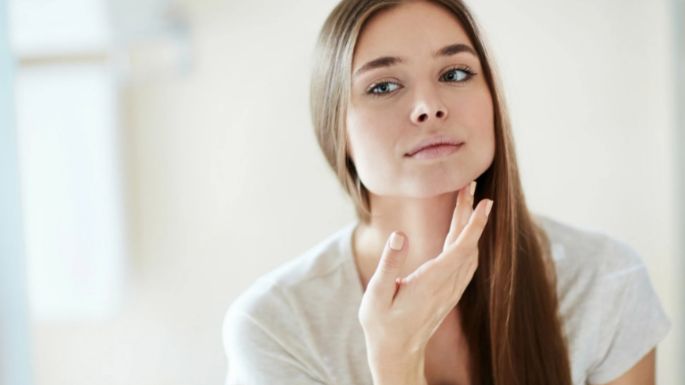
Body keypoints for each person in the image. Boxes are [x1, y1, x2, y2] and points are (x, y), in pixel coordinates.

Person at [222, 1, 672, 384]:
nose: (428, 107)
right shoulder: (277, 327)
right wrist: (396, 361)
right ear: (336, 131)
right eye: (383, 86)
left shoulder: (604, 284)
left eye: (455, 73)